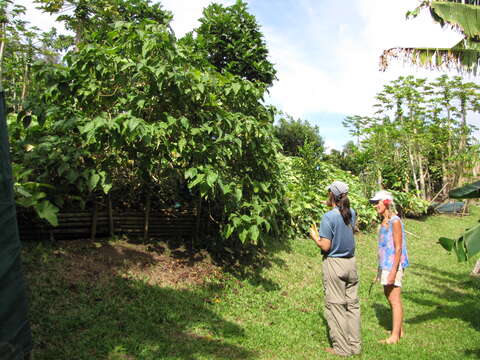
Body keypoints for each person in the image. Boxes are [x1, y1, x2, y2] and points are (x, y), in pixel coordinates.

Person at [309, 180, 361, 357]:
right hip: (351, 263)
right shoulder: (352, 213)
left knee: (336, 306)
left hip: (335, 264)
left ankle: (342, 349)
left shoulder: (328, 217)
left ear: (332, 195)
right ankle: (355, 346)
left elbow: (325, 246)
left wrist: (315, 237)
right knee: (352, 306)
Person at [370, 190, 409, 344]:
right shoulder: (384, 220)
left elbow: (398, 248)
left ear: (386, 202)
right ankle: (399, 330)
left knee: (394, 299)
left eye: (377, 202)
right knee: (389, 296)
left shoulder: (395, 221)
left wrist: (393, 271)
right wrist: (379, 270)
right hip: (385, 265)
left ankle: (394, 337)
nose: (375, 206)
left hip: (393, 265)